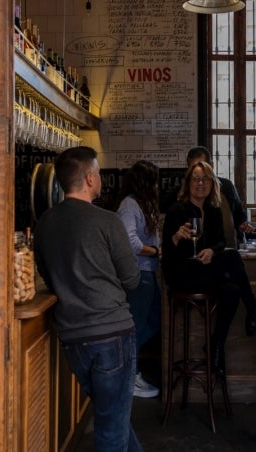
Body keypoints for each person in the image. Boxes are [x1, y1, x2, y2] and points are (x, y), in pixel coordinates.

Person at [34, 146, 143, 452]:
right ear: (90, 178)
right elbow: (132, 279)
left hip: (73, 339)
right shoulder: (107, 221)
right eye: (97, 172)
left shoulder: (44, 223)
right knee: (111, 428)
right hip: (112, 334)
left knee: (113, 417)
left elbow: (46, 274)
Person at [161, 160, 256, 377]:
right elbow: (167, 253)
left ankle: (215, 346)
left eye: (205, 179)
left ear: (212, 183)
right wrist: (176, 237)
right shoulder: (177, 210)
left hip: (203, 270)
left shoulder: (213, 209)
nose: (201, 183)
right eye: (196, 179)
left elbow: (220, 242)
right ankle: (254, 312)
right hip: (180, 274)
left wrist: (212, 251)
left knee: (232, 289)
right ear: (188, 184)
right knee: (232, 257)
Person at [115, 160, 162, 399]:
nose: (157, 185)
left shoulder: (143, 205)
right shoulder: (129, 205)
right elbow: (130, 242)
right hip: (139, 273)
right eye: (154, 180)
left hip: (148, 272)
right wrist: (155, 251)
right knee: (137, 327)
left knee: (154, 322)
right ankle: (129, 375)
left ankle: (127, 367)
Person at [160, 146, 254, 242]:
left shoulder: (227, 186)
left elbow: (239, 213)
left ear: (211, 165)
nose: (200, 182)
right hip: (194, 250)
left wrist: (242, 224)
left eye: (203, 167)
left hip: (226, 247)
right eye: (193, 168)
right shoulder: (178, 194)